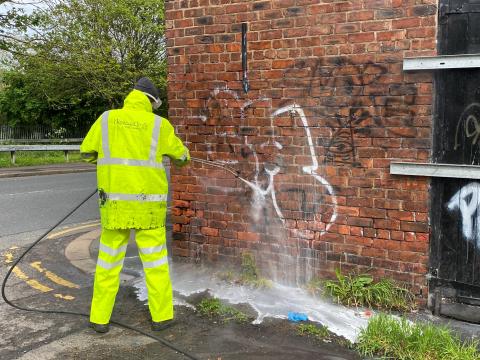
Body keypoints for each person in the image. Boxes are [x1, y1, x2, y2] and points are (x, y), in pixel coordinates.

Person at [80, 77, 190, 333]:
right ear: (151, 101)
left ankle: (99, 318)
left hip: (115, 209)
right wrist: (184, 156)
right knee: (155, 264)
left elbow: (86, 153)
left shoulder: (107, 119)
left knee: (107, 264)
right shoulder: (158, 125)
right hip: (147, 210)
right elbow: (181, 156)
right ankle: (162, 317)